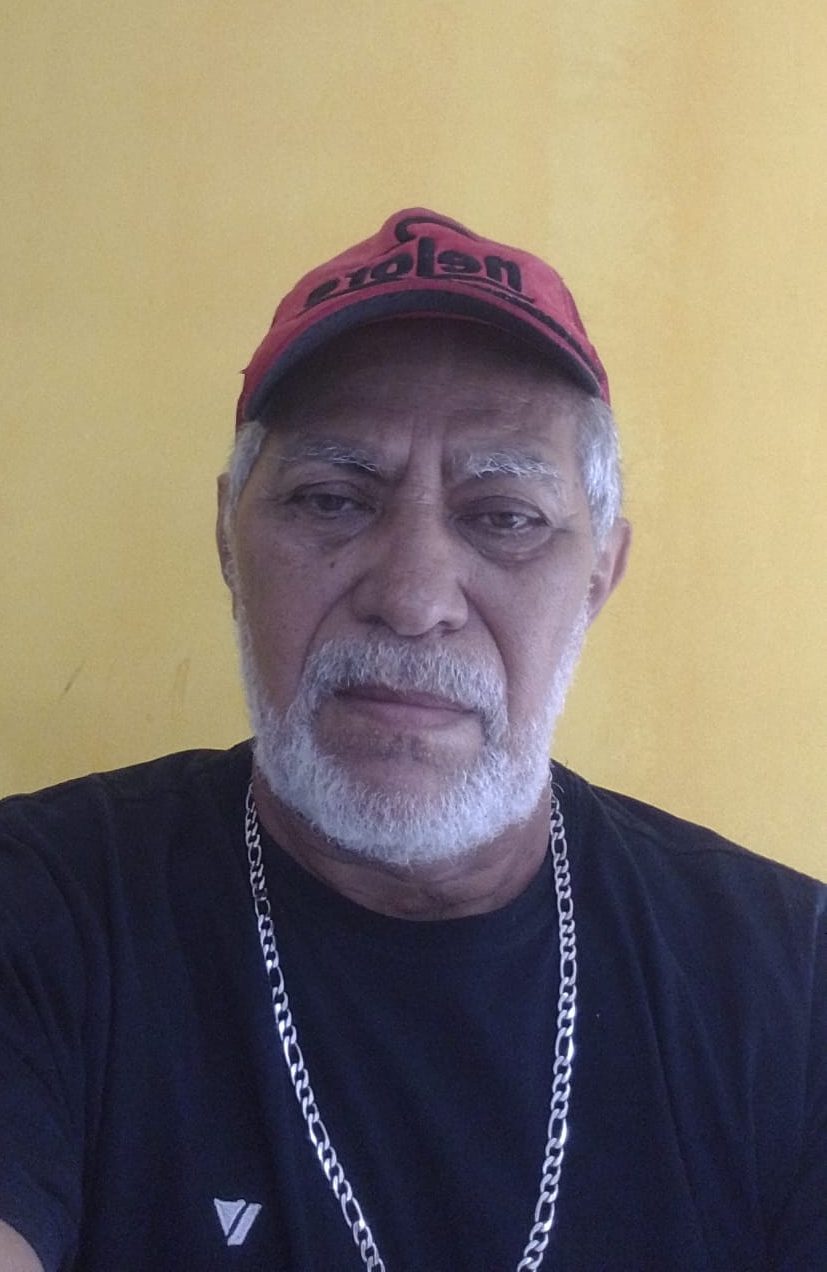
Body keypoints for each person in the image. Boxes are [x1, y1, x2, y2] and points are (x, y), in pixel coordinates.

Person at [0, 208, 824, 1272]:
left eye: (504, 515)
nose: (412, 596)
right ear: (227, 540)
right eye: (331, 499)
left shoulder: (791, 984)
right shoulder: (40, 910)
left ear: (597, 576)